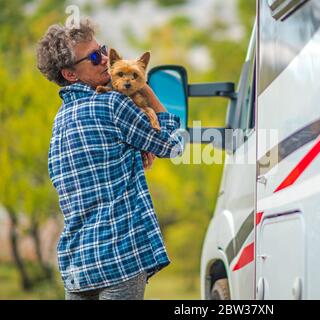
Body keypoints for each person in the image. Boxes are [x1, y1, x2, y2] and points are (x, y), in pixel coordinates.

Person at [36, 18, 184, 300]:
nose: (104, 59)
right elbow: (174, 146)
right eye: (94, 57)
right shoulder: (112, 104)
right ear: (70, 74)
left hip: (77, 265)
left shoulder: (59, 122)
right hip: (120, 256)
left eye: (102, 50)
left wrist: (131, 152)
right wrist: (148, 91)